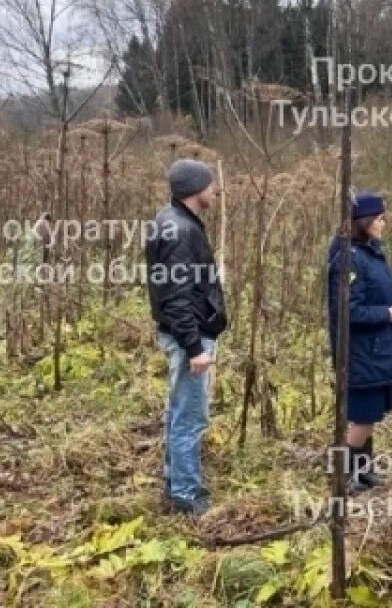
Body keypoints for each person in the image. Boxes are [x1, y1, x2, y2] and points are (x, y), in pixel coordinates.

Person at [145, 158, 228, 517]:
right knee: (189, 416)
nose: (214, 190)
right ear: (196, 189)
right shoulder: (180, 231)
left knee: (180, 410)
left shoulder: (173, 221)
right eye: (209, 185)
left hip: (185, 332)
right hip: (189, 337)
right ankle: (186, 495)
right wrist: (194, 347)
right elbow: (175, 297)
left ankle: (177, 481)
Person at [326, 191, 392, 493]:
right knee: (363, 417)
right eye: (379, 219)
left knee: (371, 415)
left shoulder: (369, 253)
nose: (383, 223)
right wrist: (387, 314)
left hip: (378, 349)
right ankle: (342, 474)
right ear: (364, 222)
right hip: (361, 352)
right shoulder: (348, 259)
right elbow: (347, 310)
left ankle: (363, 471)